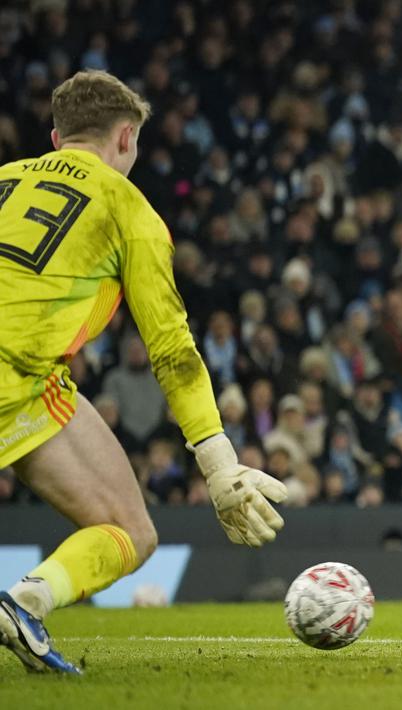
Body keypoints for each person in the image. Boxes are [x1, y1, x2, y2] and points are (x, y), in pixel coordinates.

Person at [0, 71, 287, 674]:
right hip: (13, 377)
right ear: (126, 138)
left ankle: (23, 605)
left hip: (29, 382)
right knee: (131, 531)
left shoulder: (3, 179)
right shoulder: (128, 207)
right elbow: (172, 348)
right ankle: (28, 600)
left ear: (57, 138)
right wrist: (218, 464)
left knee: (127, 522)